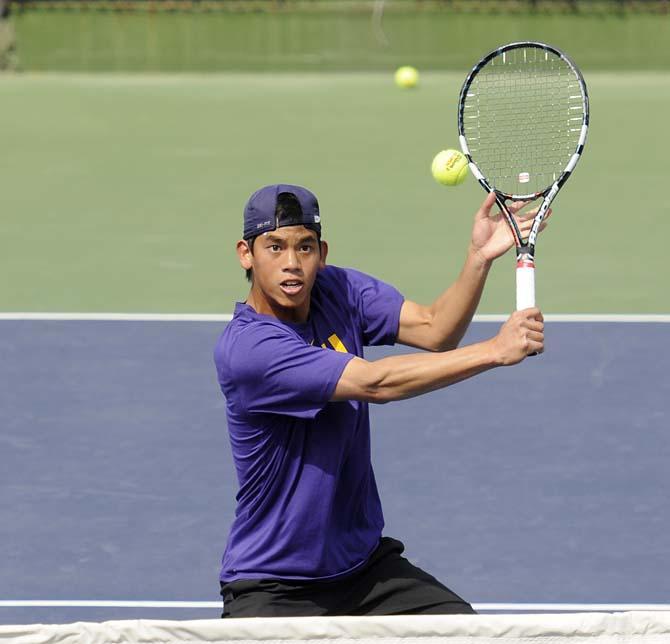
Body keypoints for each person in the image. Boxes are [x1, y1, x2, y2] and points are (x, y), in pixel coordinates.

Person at [213, 184, 546, 618]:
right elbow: (375, 383)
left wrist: (478, 257)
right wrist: (495, 350)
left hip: (365, 571)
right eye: (275, 247)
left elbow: (434, 329)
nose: (292, 263)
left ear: (322, 252)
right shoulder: (248, 350)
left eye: (305, 247)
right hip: (276, 584)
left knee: (466, 633)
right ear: (246, 253)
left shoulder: (338, 290)